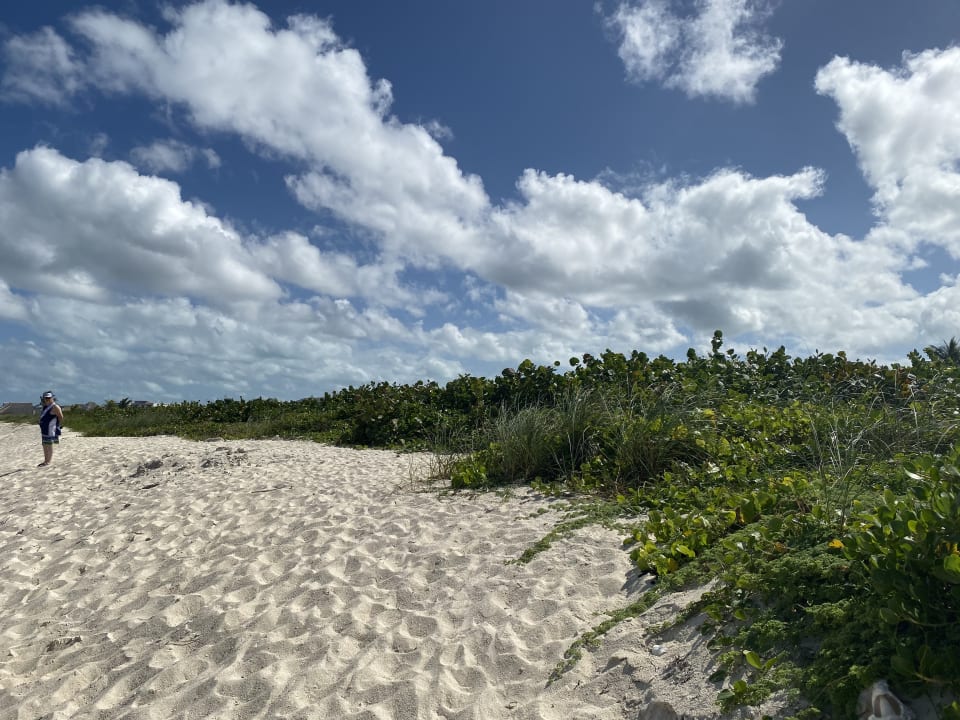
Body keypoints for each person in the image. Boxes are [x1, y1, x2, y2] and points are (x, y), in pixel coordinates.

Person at [38, 391, 63, 467]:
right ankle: (46, 460)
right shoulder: (45, 406)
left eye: (49, 398)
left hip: (50, 429)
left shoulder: (55, 407)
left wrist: (57, 425)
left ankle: (48, 461)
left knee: (48, 445)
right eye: (46, 398)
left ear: (52, 398)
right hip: (44, 429)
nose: (47, 399)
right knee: (44, 445)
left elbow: (61, 417)